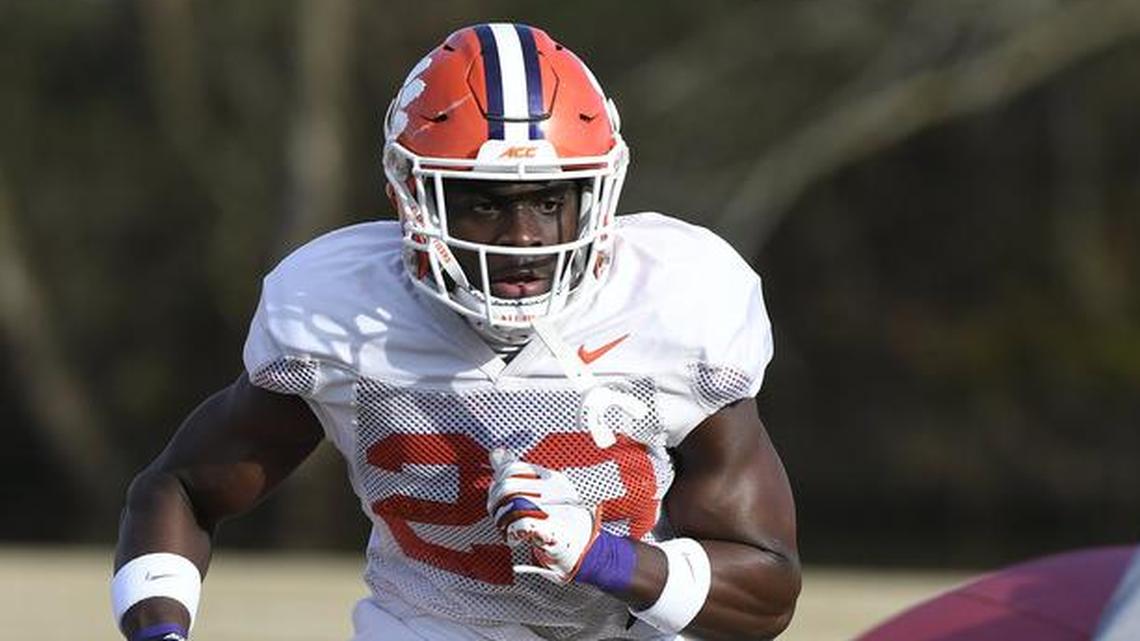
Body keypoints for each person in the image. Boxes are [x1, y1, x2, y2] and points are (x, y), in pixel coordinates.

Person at [111, 22, 800, 641]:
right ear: (409, 197)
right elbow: (180, 488)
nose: (524, 239)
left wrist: (607, 557)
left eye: (551, 199)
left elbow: (766, 593)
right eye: (481, 202)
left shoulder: (674, 303)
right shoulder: (343, 315)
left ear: (597, 194)